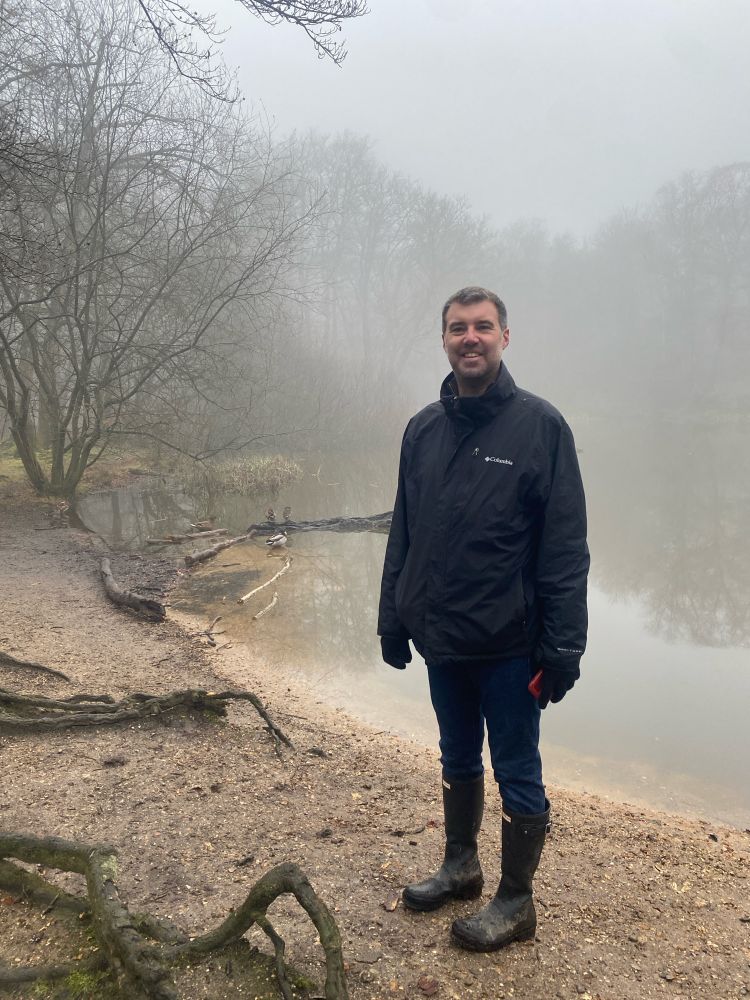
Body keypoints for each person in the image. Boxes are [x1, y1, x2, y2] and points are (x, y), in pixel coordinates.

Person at [378, 286, 589, 952]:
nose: (470, 338)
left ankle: (517, 901)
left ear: (505, 337)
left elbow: (564, 547)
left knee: (517, 770)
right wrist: (393, 617)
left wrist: (563, 648)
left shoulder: (541, 427)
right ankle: (461, 864)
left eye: (482, 327)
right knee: (456, 754)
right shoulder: (422, 430)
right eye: (457, 328)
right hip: (443, 640)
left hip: (510, 645)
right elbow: (405, 534)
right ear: (443, 339)